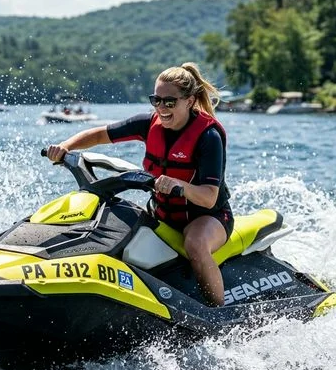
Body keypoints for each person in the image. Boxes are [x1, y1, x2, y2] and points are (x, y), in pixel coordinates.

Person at [46, 62, 233, 306]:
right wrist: (66, 146)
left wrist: (179, 185)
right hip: (163, 213)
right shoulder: (148, 124)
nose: (162, 108)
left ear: (189, 101)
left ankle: (216, 313)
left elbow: (209, 197)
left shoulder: (208, 137)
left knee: (195, 244)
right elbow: (101, 134)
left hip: (208, 217)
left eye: (170, 102)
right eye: (156, 100)